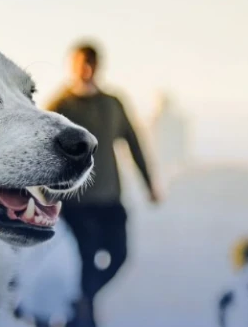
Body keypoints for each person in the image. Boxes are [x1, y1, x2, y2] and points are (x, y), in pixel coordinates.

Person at [46, 42, 162, 327]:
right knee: (85, 261)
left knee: (120, 255)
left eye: (91, 63)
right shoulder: (60, 106)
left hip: (110, 199)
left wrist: (149, 184)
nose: (86, 69)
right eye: (81, 63)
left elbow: (133, 143)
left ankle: (81, 300)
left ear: (98, 66)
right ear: (72, 66)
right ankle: (83, 315)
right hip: (75, 204)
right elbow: (42, 150)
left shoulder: (113, 103)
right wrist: (44, 194)